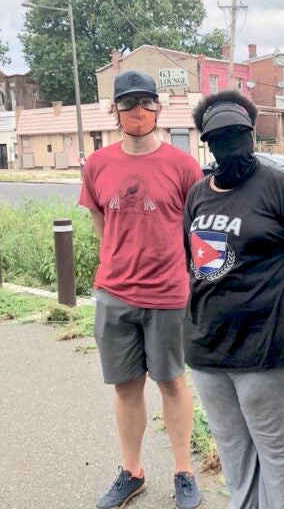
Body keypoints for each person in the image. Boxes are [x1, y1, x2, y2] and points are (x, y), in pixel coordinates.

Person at [184, 90, 284, 509]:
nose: (231, 146)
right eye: (219, 138)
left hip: (264, 352)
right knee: (234, 452)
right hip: (207, 350)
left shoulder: (282, 188)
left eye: (238, 134)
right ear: (206, 143)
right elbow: (195, 262)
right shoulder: (197, 194)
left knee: (278, 453)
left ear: (252, 134)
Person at [78, 70, 203, 509]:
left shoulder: (183, 166)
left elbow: (196, 232)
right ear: (114, 110)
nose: (137, 111)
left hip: (169, 294)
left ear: (159, 108)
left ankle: (184, 472)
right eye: (128, 103)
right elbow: (102, 226)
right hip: (114, 295)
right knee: (126, 387)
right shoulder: (97, 165)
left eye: (146, 102)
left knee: (172, 383)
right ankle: (132, 472)